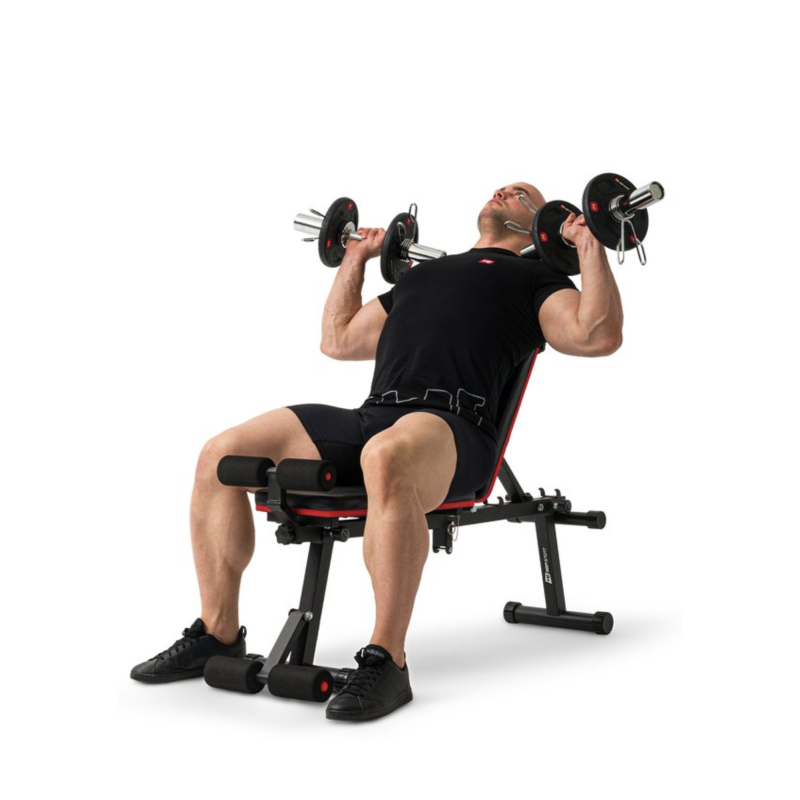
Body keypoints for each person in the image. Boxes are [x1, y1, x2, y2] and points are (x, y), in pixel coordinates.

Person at [130, 182, 624, 722]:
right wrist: (357, 257)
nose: (504, 190)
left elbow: (596, 335)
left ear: (543, 224)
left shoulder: (538, 279)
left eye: (521, 192)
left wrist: (589, 242)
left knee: (386, 456)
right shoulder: (426, 274)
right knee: (220, 456)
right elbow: (338, 339)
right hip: (374, 416)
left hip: (454, 427)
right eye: (502, 187)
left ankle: (388, 659)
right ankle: (217, 631)